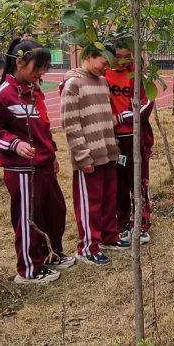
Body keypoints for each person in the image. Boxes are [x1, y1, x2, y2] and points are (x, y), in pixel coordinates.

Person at [0, 38, 74, 285]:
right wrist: (15, 144)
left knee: (55, 212)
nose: (42, 73)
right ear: (19, 63)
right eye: (38, 68)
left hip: (44, 166)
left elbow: (43, 127)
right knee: (28, 218)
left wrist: (51, 154)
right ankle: (29, 268)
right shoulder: (2, 95)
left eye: (45, 68)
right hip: (21, 171)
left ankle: (51, 254)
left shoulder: (35, 91)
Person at [60, 45, 122, 265]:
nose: (105, 69)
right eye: (103, 63)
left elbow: (108, 118)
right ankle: (88, 247)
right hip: (89, 156)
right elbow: (71, 125)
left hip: (108, 152)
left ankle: (109, 236)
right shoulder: (73, 85)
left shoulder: (103, 82)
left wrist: (113, 146)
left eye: (108, 65)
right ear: (88, 57)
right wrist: (82, 156)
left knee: (108, 198)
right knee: (91, 203)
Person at [104, 38, 154, 247]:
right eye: (119, 56)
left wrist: (123, 118)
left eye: (128, 57)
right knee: (119, 182)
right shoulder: (102, 74)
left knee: (139, 181)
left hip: (134, 137)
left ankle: (141, 223)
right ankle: (123, 223)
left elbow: (147, 102)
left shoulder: (137, 75)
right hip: (113, 140)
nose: (123, 61)